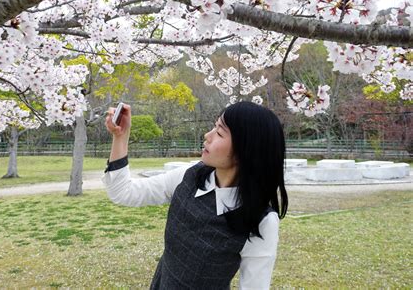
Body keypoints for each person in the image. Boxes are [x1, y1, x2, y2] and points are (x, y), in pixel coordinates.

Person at [103, 101, 288, 290]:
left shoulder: (262, 220)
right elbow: (123, 192)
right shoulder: (190, 176)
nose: (207, 136)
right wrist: (120, 137)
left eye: (220, 132)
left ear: (245, 150)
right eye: (214, 127)